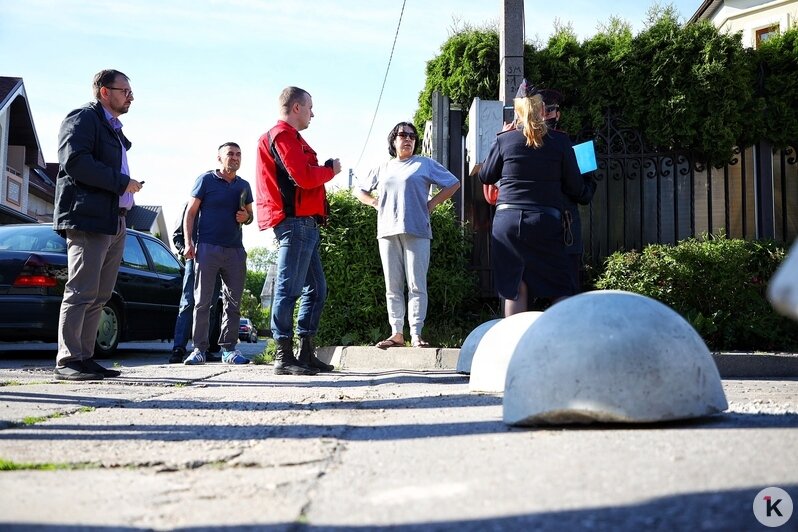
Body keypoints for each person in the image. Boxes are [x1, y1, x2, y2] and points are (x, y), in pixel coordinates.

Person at [52, 69, 144, 381]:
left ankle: (85, 357)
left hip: (113, 221)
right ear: (104, 91)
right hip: (88, 217)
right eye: (125, 90)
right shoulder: (83, 118)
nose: (130, 96)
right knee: (81, 290)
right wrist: (123, 183)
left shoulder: (113, 129)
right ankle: (68, 360)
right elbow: (75, 162)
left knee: (100, 294)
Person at [478, 79, 586, 317]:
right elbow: (575, 186)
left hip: (507, 220)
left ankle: (514, 351)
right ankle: (564, 347)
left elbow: (486, 175)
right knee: (560, 285)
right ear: (542, 110)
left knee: (515, 287)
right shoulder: (560, 141)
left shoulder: (504, 139)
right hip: (545, 221)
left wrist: (503, 138)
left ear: (517, 111)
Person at [256, 86, 340, 375]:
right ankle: (284, 356)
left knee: (316, 289)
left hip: (305, 222)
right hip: (295, 222)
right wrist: (330, 170)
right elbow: (303, 177)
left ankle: (304, 353)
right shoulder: (282, 136)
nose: (312, 113)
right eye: (310, 107)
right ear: (296, 108)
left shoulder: (288, 137)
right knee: (288, 288)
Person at [355, 122, 460, 349]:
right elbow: (360, 190)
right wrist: (374, 202)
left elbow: (453, 183)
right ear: (394, 140)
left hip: (418, 230)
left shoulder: (424, 163)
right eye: (403, 135)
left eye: (412, 136)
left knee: (416, 284)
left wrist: (431, 204)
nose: (408, 139)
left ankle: (416, 333)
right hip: (387, 230)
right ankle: (396, 333)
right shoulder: (383, 167)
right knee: (392, 285)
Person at [182, 142, 253, 365]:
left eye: (238, 154)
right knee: (203, 302)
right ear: (219, 158)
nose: (235, 157)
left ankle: (229, 350)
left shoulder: (244, 186)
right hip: (207, 248)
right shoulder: (205, 180)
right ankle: (198, 350)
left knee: (233, 303)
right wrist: (188, 242)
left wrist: (246, 218)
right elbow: (190, 213)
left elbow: (250, 216)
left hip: (235, 251)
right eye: (230, 154)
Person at [539, 88, 596, 295]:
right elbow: (582, 193)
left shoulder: (521, 146)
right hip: (561, 228)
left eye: (549, 110)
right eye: (544, 110)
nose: (547, 115)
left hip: (547, 229)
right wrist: (587, 180)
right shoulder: (567, 146)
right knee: (565, 291)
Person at [168, 202, 222, 363]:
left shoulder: (223, 205)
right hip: (194, 260)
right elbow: (177, 234)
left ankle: (203, 348)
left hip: (217, 261)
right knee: (188, 303)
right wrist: (185, 250)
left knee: (211, 305)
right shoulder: (191, 205)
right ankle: (179, 348)